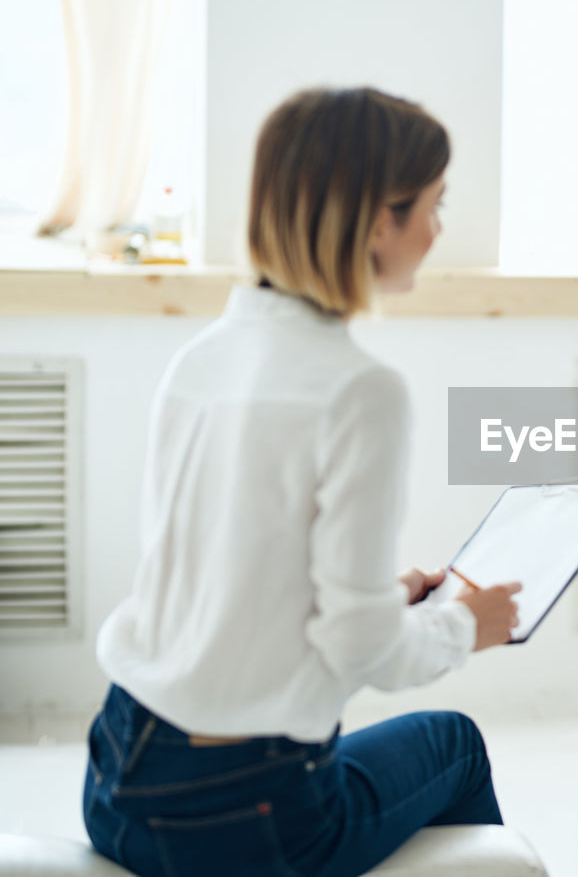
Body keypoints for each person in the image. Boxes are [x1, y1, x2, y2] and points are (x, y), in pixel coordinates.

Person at [82, 87, 523, 876]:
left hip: (117, 772)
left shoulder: (201, 359)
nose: (437, 229)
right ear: (377, 222)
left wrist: (384, 596)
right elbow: (365, 650)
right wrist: (465, 624)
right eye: (433, 205)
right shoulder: (361, 390)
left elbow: (218, 579)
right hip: (241, 811)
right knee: (452, 742)